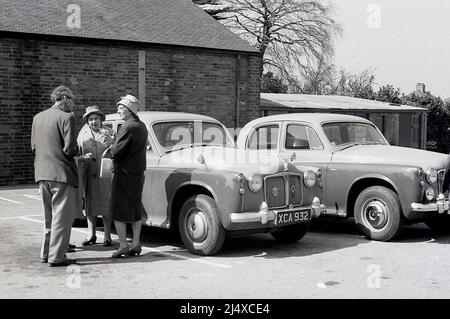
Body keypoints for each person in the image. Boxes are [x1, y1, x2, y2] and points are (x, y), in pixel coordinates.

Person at [31, 85, 79, 267]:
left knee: (48, 217)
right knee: (62, 218)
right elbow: (70, 148)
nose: (74, 104)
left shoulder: (37, 118)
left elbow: (34, 147)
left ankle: (45, 253)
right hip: (61, 173)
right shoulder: (67, 117)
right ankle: (57, 256)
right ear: (65, 98)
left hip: (42, 172)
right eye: (73, 100)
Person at [110, 95, 147, 258]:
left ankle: (123, 245)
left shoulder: (127, 127)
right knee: (135, 209)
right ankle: (136, 243)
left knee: (118, 210)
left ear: (130, 110)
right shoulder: (142, 126)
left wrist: (111, 143)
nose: (118, 110)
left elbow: (116, 152)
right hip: (138, 173)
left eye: (121, 108)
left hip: (124, 174)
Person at [77, 106, 116, 247]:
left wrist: (112, 143)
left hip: (105, 174)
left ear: (101, 119)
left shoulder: (110, 133)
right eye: (91, 119)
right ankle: (91, 234)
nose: (94, 122)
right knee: (89, 204)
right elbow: (78, 152)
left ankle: (107, 236)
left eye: (96, 119)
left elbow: (117, 152)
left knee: (106, 204)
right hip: (88, 173)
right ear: (87, 121)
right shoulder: (82, 135)